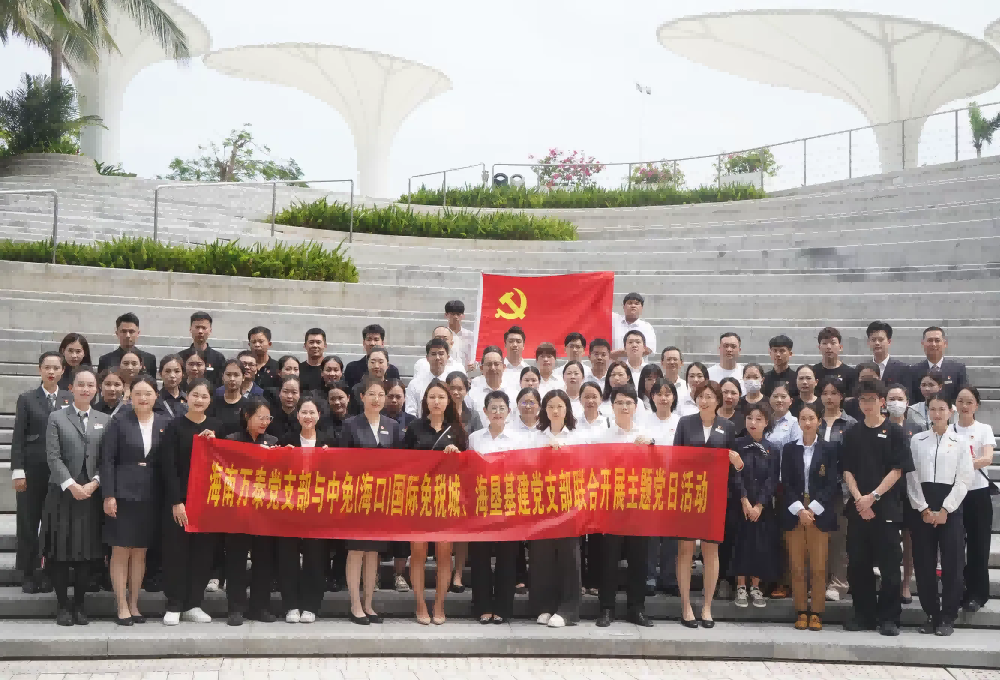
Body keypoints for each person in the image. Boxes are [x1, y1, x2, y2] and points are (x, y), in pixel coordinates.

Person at [841, 379, 914, 636]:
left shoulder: (895, 432)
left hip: (886, 509)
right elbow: (847, 470)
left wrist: (872, 497)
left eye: (872, 399)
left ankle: (889, 618)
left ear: (882, 401)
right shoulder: (852, 432)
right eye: (863, 400)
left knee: (890, 567)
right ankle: (863, 615)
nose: (867, 404)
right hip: (858, 509)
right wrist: (860, 499)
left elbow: (898, 470)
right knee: (858, 565)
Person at [39, 366, 107, 626]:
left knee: (85, 552)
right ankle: (62, 605)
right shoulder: (57, 417)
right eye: (81, 384)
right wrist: (70, 484)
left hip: (90, 495)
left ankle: (79, 604)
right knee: (59, 551)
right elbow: (53, 456)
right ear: (72, 388)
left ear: (96, 389)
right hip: (61, 494)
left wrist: (95, 483)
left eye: (90, 385)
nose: (85, 389)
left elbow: (107, 458)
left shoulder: (104, 420)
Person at [673, 381, 744, 628]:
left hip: (715, 495)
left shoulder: (728, 426)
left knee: (710, 551)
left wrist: (738, 463)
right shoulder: (685, 423)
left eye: (709, 397)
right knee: (685, 550)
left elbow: (734, 464)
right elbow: (676, 458)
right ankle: (685, 606)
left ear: (717, 400)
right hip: (688, 494)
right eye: (700, 396)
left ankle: (706, 607)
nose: (704, 401)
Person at [101, 375, 170, 625]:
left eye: (148, 393)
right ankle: (121, 605)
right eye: (138, 393)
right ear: (130, 397)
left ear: (156, 396)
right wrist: (109, 494)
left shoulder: (165, 422)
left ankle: (134, 604)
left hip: (151, 495)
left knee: (140, 552)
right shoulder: (118, 422)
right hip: (122, 495)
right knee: (121, 551)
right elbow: (107, 460)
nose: (143, 398)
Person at [907, 394, 973, 637]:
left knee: (952, 564)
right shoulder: (917, 441)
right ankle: (931, 614)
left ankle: (948, 617)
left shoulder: (960, 442)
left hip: (950, 509)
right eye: (932, 409)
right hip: (922, 507)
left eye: (941, 409)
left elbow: (965, 478)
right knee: (924, 564)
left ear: (950, 411)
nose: (937, 413)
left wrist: (946, 509)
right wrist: (923, 508)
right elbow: (911, 476)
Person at [403, 379, 467, 625]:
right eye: (432, 397)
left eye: (441, 397)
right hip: (418, 498)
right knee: (418, 552)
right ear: (425, 401)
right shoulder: (415, 428)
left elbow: (467, 469)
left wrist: (457, 456)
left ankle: (440, 603)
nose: (437, 401)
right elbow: (403, 464)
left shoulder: (457, 430)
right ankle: (420, 603)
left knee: (444, 553)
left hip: (446, 499)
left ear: (448, 401)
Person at [592, 384, 654, 628]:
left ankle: (636, 608)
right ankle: (606, 608)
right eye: (619, 402)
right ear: (612, 406)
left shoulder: (646, 435)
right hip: (611, 506)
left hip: (639, 507)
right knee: (609, 559)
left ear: (635, 407)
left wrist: (652, 447)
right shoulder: (603, 437)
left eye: (629, 403)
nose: (624, 407)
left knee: (639, 559)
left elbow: (661, 467)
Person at [159, 378, 219, 626]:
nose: (199, 400)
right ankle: (174, 604)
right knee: (177, 553)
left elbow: (226, 465)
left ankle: (194, 604)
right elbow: (168, 467)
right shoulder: (174, 426)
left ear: (210, 400)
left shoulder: (216, 426)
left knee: (202, 555)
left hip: (207, 503)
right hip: (180, 502)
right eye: (195, 395)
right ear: (186, 397)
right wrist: (176, 501)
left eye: (204, 396)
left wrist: (215, 443)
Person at [11, 351, 71, 594]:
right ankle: (28, 572)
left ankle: (48, 573)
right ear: (40, 370)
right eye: (47, 367)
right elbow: (18, 437)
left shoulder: (69, 398)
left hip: (59, 472)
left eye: (56, 367)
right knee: (28, 522)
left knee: (54, 524)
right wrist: (18, 471)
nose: (51, 372)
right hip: (32, 470)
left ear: (63, 371)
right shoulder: (27, 399)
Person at [277, 396, 338, 624]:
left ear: (319, 416)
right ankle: (291, 605)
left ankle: (311, 605)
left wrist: (330, 458)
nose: (308, 416)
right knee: (288, 557)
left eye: (312, 412)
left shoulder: (329, 441)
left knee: (316, 557)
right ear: (297, 415)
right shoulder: (287, 440)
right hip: (290, 509)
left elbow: (340, 475)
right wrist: (282, 456)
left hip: (317, 510)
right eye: (304, 412)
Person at [782, 403, 839, 631]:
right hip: (795, 511)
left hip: (819, 513)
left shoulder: (829, 448)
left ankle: (816, 612)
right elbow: (785, 483)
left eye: (811, 418)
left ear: (819, 421)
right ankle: (800, 611)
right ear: (798, 422)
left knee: (818, 566)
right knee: (797, 566)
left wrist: (813, 509)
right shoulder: (789, 449)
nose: (807, 423)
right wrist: (799, 509)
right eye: (803, 418)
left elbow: (832, 483)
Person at [223, 397, 279, 626]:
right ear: (247, 416)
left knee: (263, 560)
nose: (265, 422)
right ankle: (235, 608)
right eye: (260, 417)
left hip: (264, 513)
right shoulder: (231, 441)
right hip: (237, 511)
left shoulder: (273, 441)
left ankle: (259, 607)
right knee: (236, 560)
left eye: (268, 418)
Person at [468, 391, 521, 624]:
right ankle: (482, 606)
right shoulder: (474, 438)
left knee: (506, 557)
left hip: (508, 503)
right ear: (485, 412)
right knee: (480, 557)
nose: (497, 412)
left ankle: (502, 607)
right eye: (493, 408)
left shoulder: (518, 439)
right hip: (481, 503)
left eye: (501, 408)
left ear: (508, 411)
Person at [531, 390, 583, 628]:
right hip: (541, 504)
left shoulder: (577, 437)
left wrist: (565, 454)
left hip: (568, 505)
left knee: (568, 557)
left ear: (567, 410)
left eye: (559, 406)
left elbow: (587, 468)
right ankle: (544, 606)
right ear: (544, 410)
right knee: (542, 557)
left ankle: (568, 609)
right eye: (550, 406)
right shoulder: (535, 437)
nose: (555, 410)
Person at [732, 403, 781, 609]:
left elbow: (772, 479)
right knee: (741, 543)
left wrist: (760, 505)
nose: (753, 422)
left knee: (761, 545)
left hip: (763, 507)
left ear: (766, 422)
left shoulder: (773, 449)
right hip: (740, 504)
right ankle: (740, 586)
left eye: (759, 419)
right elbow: (734, 475)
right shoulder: (736, 445)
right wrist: (744, 499)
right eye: (750, 418)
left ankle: (755, 586)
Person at [952, 386, 997, 613]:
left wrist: (963, 464)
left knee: (979, 545)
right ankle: (956, 591)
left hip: (978, 493)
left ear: (976, 405)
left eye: (969, 402)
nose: (964, 406)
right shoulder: (948, 428)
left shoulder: (983, 429)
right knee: (954, 545)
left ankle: (977, 594)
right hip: (953, 494)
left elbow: (987, 458)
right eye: (960, 401)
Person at [817, 376, 857, 602]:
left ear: (842, 396)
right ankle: (819, 581)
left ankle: (839, 583)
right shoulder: (813, 420)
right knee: (818, 537)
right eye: (825, 393)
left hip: (841, 489)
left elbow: (854, 460)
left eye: (834, 393)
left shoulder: (850, 424)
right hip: (814, 489)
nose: (829, 397)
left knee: (840, 539)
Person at [886, 383, 921, 605]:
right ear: (884, 402)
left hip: (910, 490)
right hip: (885, 491)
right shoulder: (879, 425)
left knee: (909, 540)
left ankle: (906, 584)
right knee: (887, 541)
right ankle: (888, 583)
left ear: (907, 402)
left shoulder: (916, 428)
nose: (896, 403)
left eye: (900, 399)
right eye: (892, 399)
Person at [645, 378, 680, 597]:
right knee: (650, 533)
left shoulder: (681, 422)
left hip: (674, 484)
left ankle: (669, 577)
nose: (663, 398)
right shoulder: (643, 421)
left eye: (668, 394)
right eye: (659, 394)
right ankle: (649, 576)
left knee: (671, 535)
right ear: (652, 397)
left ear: (674, 397)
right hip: (649, 483)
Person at [445, 371, 478, 593]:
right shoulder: (439, 410)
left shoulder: (473, 415)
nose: (456, 392)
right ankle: (445, 571)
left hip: (466, 477)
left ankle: (458, 574)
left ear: (467, 390)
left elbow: (477, 443)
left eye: (460, 388)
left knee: (462, 530)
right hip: (442, 478)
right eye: (452, 388)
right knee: (445, 528)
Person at [911, 326, 968, 404]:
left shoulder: (958, 369)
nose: (933, 344)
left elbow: (962, 397)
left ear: (945, 343)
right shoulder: (914, 370)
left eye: (937, 340)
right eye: (930, 340)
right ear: (922, 343)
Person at [97, 313, 157, 377]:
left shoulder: (149, 360)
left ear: (138, 333)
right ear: (117, 333)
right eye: (124, 331)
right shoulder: (105, 360)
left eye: (131, 332)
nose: (127, 335)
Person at [343, 324, 401, 388]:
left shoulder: (392, 371)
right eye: (369, 339)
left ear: (382, 343)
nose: (372, 343)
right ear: (364, 343)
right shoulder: (352, 368)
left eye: (376, 340)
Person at [178, 312, 227, 388]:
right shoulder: (180, 357)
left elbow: (221, 386)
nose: (200, 331)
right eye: (197, 327)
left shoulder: (219, 358)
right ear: (190, 329)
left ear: (210, 330)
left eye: (204, 328)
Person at [406, 339, 453, 417]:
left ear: (447, 357)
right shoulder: (415, 384)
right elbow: (410, 413)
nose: (437, 358)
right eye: (433, 354)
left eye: (441, 354)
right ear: (427, 358)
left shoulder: (452, 383)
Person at [867, 321, 909, 397]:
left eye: (881, 340)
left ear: (889, 342)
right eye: (873, 340)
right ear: (868, 342)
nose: (877, 343)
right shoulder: (864, 369)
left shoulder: (902, 369)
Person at [207, 360, 249, 437]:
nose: (232, 379)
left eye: (236, 375)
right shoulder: (211, 403)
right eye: (228, 374)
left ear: (243, 377)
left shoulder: (248, 405)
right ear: (222, 377)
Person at [468, 346, 516, 412]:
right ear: (481, 368)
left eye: (496, 364)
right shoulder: (472, 395)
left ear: (504, 367)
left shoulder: (513, 394)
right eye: (489, 364)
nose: (493, 368)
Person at [812, 327, 856, 397]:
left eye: (833, 343)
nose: (829, 347)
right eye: (824, 343)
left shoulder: (851, 373)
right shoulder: (812, 372)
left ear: (840, 347)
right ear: (819, 348)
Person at [611, 293, 656, 360]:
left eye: (637, 303)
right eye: (630, 303)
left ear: (641, 308)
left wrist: (616, 353)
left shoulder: (647, 327)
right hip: (615, 366)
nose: (633, 306)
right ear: (623, 306)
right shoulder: (613, 320)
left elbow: (648, 350)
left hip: (637, 366)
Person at [351, 348, 391, 415]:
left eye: (381, 362)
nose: (376, 366)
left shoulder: (392, 388)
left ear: (388, 365)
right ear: (367, 364)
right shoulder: (357, 389)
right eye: (372, 362)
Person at [766, 382, 801, 451]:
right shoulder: (765, 420)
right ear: (769, 399)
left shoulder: (795, 422)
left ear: (790, 401)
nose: (779, 400)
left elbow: (797, 450)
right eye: (775, 396)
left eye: (783, 396)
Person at [445, 300, 476, 371]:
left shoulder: (470, 336)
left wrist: (474, 364)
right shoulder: (442, 335)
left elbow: (475, 357)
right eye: (452, 314)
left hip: (466, 374)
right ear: (446, 315)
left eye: (458, 314)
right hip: (447, 373)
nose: (455, 317)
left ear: (463, 315)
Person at [267, 376, 301, 441]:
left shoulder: (303, 420)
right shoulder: (270, 418)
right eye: (285, 391)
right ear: (279, 393)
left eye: (294, 392)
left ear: (299, 394)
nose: (289, 396)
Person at [248, 326, 280, 391]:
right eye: (253, 342)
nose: (257, 345)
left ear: (269, 344)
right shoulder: (244, 367)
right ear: (249, 344)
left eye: (261, 341)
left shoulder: (278, 367)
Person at [299, 328, 328, 393]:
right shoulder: (297, 369)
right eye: (311, 342)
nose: (315, 345)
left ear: (325, 345)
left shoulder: (331, 371)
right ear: (305, 345)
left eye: (318, 342)